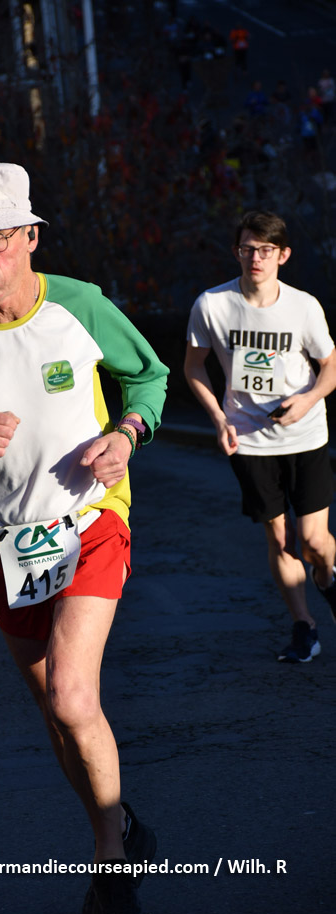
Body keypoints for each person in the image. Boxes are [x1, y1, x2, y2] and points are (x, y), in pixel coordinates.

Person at [0, 162, 169, 914]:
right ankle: (117, 827)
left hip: (90, 519)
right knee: (56, 712)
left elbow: (148, 378)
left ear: (30, 238)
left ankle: (110, 865)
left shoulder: (79, 304)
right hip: (4, 544)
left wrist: (126, 433)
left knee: (72, 697)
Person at [184, 210, 336, 664]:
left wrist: (308, 400)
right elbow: (194, 367)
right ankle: (304, 626)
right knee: (280, 538)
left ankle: (328, 578)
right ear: (237, 252)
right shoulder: (212, 305)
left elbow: (330, 367)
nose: (256, 258)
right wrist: (218, 419)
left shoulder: (303, 306)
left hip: (305, 434)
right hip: (247, 439)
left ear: (283, 255)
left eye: (266, 250)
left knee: (313, 541)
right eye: (248, 249)